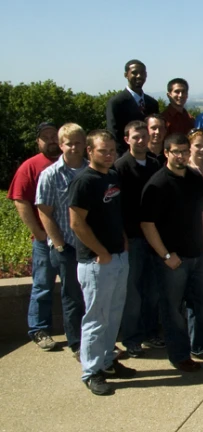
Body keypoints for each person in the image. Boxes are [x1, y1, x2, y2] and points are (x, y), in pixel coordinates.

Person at [140, 133, 203, 372]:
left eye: (184, 151)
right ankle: (179, 355)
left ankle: (201, 347)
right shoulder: (157, 184)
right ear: (166, 153)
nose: (181, 156)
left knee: (201, 305)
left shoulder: (194, 177)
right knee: (172, 310)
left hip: (198, 255)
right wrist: (165, 255)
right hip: (173, 260)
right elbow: (147, 224)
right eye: (176, 152)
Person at [69, 130, 134, 395]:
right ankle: (91, 370)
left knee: (114, 314)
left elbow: (114, 214)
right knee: (96, 318)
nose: (108, 155)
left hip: (119, 255)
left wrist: (122, 240)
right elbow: (76, 223)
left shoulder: (112, 176)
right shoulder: (84, 181)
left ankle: (107, 361)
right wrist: (101, 251)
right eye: (102, 151)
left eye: (111, 151)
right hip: (96, 262)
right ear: (89, 151)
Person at [36, 123, 88, 359]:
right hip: (66, 246)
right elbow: (44, 212)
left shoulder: (91, 170)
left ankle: (93, 339)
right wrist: (58, 244)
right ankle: (76, 343)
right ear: (61, 145)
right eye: (69, 143)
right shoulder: (50, 175)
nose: (74, 148)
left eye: (78, 143)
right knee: (72, 297)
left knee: (93, 297)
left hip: (91, 246)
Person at [7, 122, 60, 350]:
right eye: (45, 137)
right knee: (43, 286)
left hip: (73, 238)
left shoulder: (73, 162)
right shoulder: (30, 167)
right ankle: (39, 329)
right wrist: (38, 233)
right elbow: (20, 201)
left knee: (76, 288)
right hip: (44, 240)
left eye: (54, 136)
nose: (50, 140)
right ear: (38, 142)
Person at [114, 121, 163, 357]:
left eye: (145, 136)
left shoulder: (155, 165)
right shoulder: (120, 168)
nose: (142, 140)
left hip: (155, 238)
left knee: (153, 290)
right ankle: (132, 338)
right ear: (127, 140)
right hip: (132, 238)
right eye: (136, 137)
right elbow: (117, 208)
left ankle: (151, 332)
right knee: (132, 291)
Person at [106, 59, 159, 154]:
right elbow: (113, 134)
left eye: (142, 73)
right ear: (126, 75)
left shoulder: (152, 103)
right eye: (134, 73)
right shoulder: (116, 102)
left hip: (150, 157)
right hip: (126, 157)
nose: (139, 76)